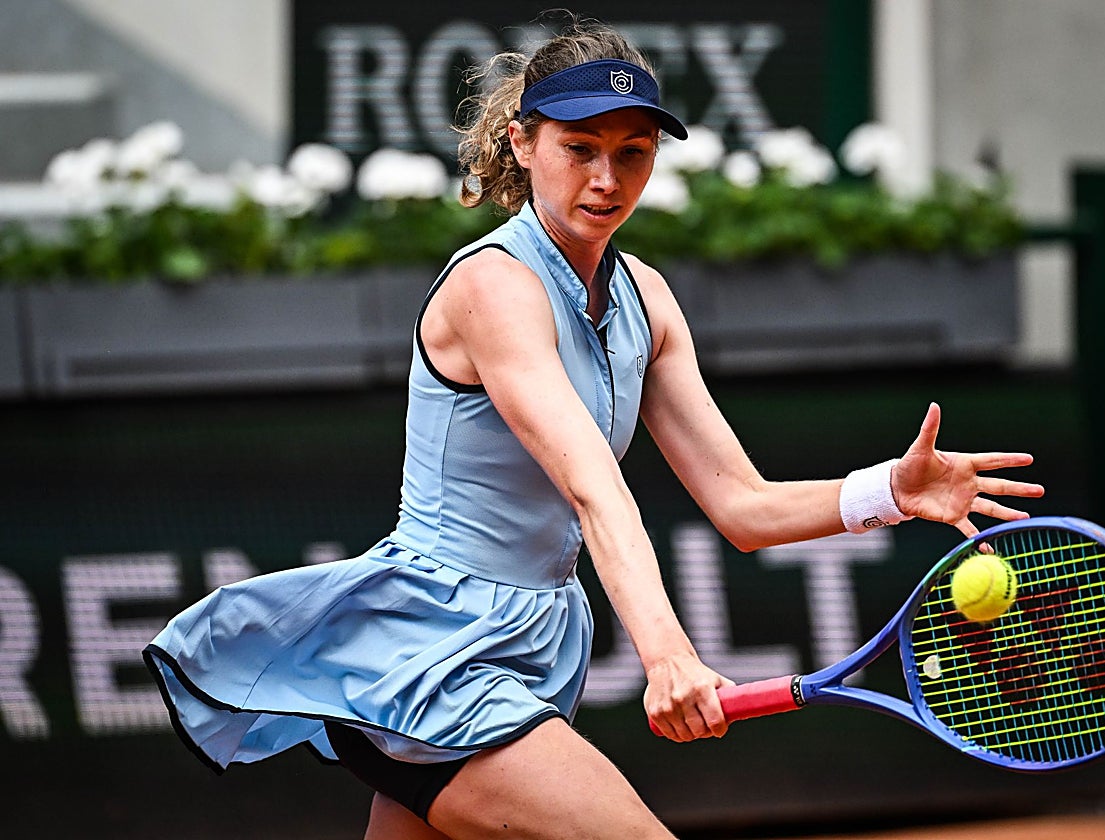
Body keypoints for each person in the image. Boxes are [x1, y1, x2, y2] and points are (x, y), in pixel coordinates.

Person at [143, 13, 1044, 840]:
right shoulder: (493, 287)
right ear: (522, 144)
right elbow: (591, 484)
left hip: (532, 645)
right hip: (433, 656)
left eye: (633, 152)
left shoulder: (646, 300)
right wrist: (668, 656)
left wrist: (889, 489)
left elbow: (742, 505)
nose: (607, 180)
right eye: (580, 148)